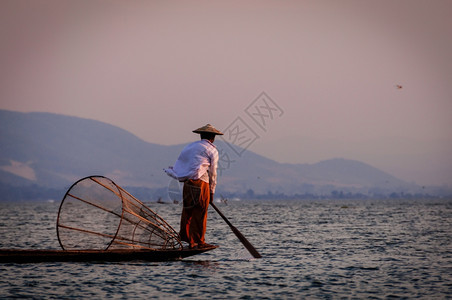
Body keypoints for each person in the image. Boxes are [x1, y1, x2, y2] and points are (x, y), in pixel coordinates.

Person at [164, 124, 223, 249]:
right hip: (201, 183)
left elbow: (181, 163)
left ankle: (187, 238)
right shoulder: (212, 150)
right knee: (200, 211)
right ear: (212, 138)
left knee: (188, 210)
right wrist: (212, 191)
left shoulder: (189, 147)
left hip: (187, 183)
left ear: (201, 136)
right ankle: (198, 241)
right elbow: (213, 172)